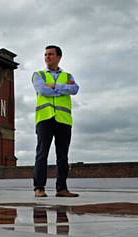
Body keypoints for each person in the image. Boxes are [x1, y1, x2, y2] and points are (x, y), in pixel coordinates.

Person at [32, 45, 79, 197]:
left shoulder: (68, 75)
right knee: (42, 154)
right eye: (45, 54)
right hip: (44, 118)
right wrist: (63, 89)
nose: (47, 57)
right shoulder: (38, 74)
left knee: (63, 156)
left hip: (63, 120)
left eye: (51, 54)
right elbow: (43, 90)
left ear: (59, 57)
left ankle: (62, 189)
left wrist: (55, 86)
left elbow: (75, 89)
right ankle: (39, 188)